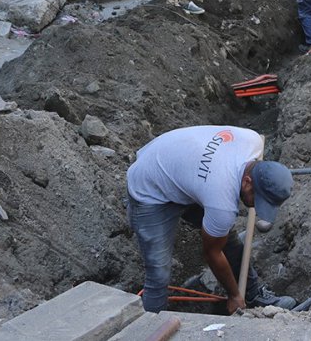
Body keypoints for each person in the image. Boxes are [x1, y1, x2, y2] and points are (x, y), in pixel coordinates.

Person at [126, 125, 298, 314]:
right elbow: (211, 253)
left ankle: (252, 293)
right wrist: (233, 295)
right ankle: (152, 324)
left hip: (185, 170)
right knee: (158, 272)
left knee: (229, 242)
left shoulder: (253, 140)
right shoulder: (221, 200)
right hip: (150, 187)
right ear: (247, 181)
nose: (256, 208)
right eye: (258, 200)